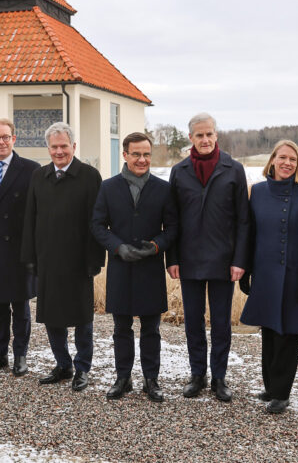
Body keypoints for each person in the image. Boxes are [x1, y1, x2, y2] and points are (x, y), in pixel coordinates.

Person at [167, 112, 249, 402]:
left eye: (209, 134)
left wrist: (240, 260)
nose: (205, 139)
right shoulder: (179, 171)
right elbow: (172, 220)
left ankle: (219, 378)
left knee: (222, 323)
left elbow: (243, 220)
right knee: (193, 322)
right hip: (188, 260)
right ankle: (197, 375)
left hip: (223, 261)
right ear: (190, 138)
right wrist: (172, 258)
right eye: (199, 135)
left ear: (216, 136)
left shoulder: (233, 169)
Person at [92, 132, 178, 402]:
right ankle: (123, 377)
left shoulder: (164, 189)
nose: (142, 159)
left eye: (147, 154)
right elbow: (97, 225)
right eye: (137, 154)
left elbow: (173, 228)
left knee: (151, 329)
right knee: (121, 328)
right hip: (120, 267)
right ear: (125, 155)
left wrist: (155, 246)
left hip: (150, 268)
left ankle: (151, 379)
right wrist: (117, 247)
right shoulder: (108, 187)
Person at [239, 140, 298, 413]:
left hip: (294, 277)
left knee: (288, 335)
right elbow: (250, 235)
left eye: (293, 160)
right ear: (272, 160)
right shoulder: (258, 192)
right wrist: (245, 269)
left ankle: (282, 393)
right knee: (269, 332)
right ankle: (271, 386)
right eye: (283, 157)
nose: (287, 163)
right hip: (264, 274)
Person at [21, 122, 104, 392]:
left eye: (64, 146)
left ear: (73, 147)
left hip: (79, 262)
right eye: (54, 147)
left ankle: (82, 368)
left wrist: (95, 260)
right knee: (52, 316)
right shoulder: (38, 176)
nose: (59, 151)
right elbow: (30, 219)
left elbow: (97, 222)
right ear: (48, 148)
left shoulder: (90, 176)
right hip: (47, 259)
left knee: (82, 320)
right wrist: (30, 257)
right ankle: (63, 364)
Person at [0, 118, 40, 377]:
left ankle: (20, 354)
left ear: (15, 139)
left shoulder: (31, 169)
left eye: (6, 137)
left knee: (21, 307)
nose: (1, 142)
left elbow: (36, 213)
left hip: (19, 250)